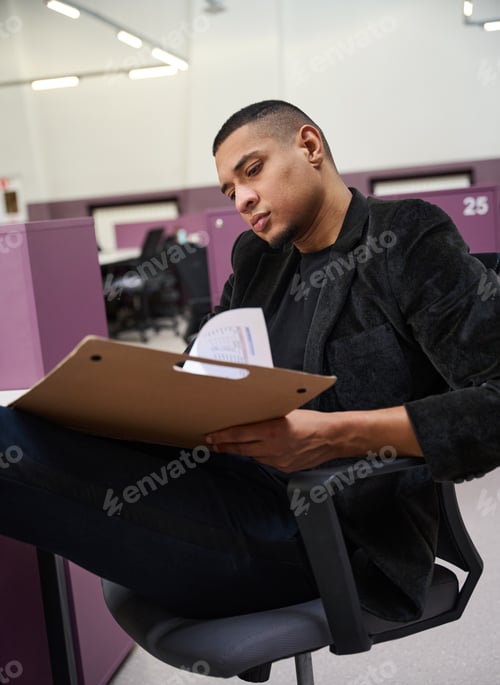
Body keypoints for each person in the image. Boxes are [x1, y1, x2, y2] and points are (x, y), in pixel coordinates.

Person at [1, 100, 499, 623]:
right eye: (229, 190)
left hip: (333, 532)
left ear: (309, 147)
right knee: (30, 425)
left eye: (252, 170)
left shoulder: (406, 238)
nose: (242, 198)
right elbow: (202, 370)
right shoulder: (257, 258)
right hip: (229, 482)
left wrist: (332, 435)